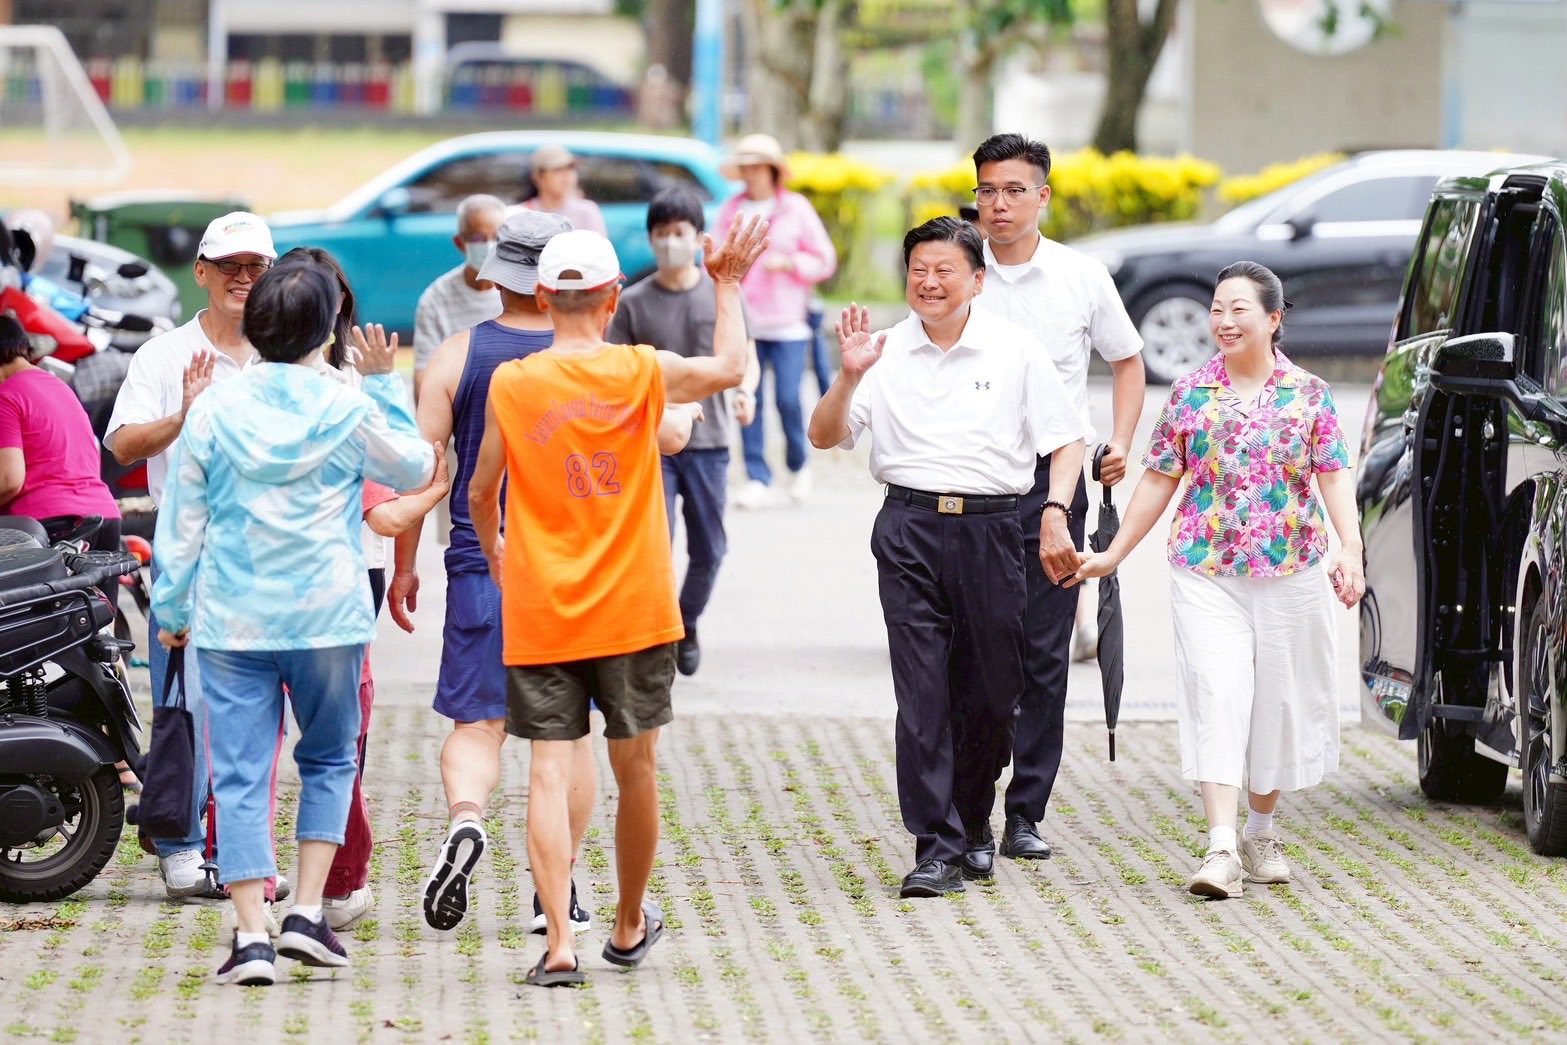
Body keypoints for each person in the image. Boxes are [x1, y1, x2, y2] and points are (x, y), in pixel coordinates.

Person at [469, 216, 766, 985]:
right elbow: (730, 368)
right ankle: (628, 924)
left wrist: (496, 549)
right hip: (633, 606)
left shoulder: (512, 382)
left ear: (542, 296)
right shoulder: (641, 369)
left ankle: (558, 943)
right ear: (611, 298)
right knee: (636, 768)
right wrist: (727, 284)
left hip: (543, 606)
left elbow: (480, 489)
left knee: (546, 771)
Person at [152, 262, 435, 985]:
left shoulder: (213, 409)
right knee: (330, 760)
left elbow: (182, 521)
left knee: (241, 773)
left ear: (255, 327)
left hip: (233, 619)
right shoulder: (347, 404)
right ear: (325, 329)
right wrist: (384, 385)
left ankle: (252, 935)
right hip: (328, 616)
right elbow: (413, 466)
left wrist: (172, 610)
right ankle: (308, 911)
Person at [807, 217, 1083, 897]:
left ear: (977, 281)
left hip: (993, 530)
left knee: (992, 695)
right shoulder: (881, 351)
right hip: (909, 528)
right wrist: (847, 377)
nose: (929, 283)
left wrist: (1054, 510)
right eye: (918, 271)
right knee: (923, 694)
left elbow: (1066, 439)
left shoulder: (1014, 349)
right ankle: (935, 846)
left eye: (944, 271)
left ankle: (973, 815)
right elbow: (823, 435)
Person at [1072, 261, 1363, 899]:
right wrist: (1113, 554)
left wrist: (1351, 547)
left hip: (1291, 569)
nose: (1224, 321)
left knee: (1278, 702)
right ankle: (1221, 848)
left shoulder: (1309, 394)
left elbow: (1333, 473)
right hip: (1205, 571)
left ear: (1274, 319)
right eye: (1216, 309)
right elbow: (1158, 479)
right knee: (1218, 691)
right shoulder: (1190, 393)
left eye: (1239, 310)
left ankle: (1261, 831)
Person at [389, 210, 605, 938]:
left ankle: (467, 818)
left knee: (477, 726)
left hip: (480, 561)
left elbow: (422, 471)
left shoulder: (455, 356)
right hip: (573, 571)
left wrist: (404, 567)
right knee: (568, 739)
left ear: (496, 277)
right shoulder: (596, 359)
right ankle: (560, 890)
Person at [968, 133, 1147, 864]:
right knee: (981, 654)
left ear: (1042, 196)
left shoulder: (1080, 275)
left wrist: (1120, 441)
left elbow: (1127, 360)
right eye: (987, 190)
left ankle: (1025, 811)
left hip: (1057, 483)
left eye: (1014, 190)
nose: (998, 204)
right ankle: (969, 809)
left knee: (1044, 654)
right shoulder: (959, 268)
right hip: (972, 481)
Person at [278, 246, 452, 931]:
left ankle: (321, 882)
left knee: (321, 732)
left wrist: (404, 562)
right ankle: (315, 884)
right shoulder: (323, 387)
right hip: (327, 570)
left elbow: (395, 487)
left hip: (344, 565)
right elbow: (408, 479)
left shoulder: (348, 380)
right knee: (326, 734)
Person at [105, 210, 277, 899]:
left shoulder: (283, 352)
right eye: (230, 266)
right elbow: (123, 444)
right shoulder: (164, 354)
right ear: (201, 271)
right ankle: (179, 842)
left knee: (256, 707)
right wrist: (184, 414)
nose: (243, 278)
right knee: (186, 698)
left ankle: (238, 848)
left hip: (268, 554)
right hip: (189, 553)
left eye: (256, 266)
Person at [606, 187, 759, 676]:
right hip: (652, 445)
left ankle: (685, 621)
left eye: (679, 232)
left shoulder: (721, 294)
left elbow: (745, 355)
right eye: (661, 233)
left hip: (710, 444)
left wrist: (745, 392)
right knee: (656, 546)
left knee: (710, 548)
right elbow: (615, 374)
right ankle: (657, 635)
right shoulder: (632, 303)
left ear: (697, 237)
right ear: (651, 239)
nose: (671, 241)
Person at [716, 133, 836, 509]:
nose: (751, 173)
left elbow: (824, 258)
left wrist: (790, 264)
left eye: (757, 166)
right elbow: (714, 259)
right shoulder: (731, 211)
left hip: (788, 323)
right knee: (747, 398)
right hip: (746, 322)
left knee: (788, 398)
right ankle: (757, 477)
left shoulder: (796, 208)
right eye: (745, 167)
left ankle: (799, 466)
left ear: (772, 170)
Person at [0, 315, 121, 544]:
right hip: (104, 515)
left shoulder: (6, 395)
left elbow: (8, 480)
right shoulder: (59, 387)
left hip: (52, 524)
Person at [413, 194, 505, 399]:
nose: (489, 245)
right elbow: (424, 378)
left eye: (497, 237)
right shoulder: (436, 299)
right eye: (478, 239)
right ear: (460, 243)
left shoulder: (519, 291)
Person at [523, 146, 608, 236]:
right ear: (539, 176)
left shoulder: (587, 211)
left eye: (570, 169)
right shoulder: (522, 214)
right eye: (558, 170)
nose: (567, 176)